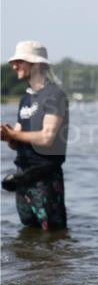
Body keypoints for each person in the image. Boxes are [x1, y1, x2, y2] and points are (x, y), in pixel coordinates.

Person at [0, 41, 69, 231]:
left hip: (46, 178)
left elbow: (47, 137)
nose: (14, 66)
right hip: (23, 177)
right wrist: (9, 137)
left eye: (20, 61)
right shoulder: (25, 99)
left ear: (36, 64)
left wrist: (15, 134)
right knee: (28, 234)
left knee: (53, 235)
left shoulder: (55, 95)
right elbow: (17, 142)